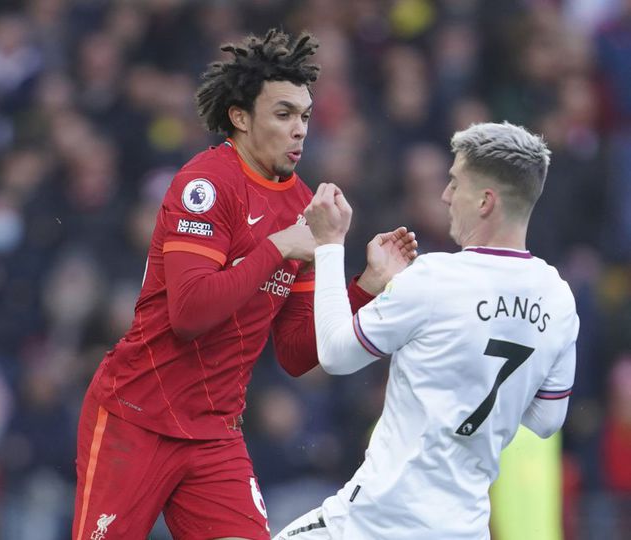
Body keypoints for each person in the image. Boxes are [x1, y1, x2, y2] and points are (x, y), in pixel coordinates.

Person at [71, 29, 418, 540]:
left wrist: (365, 284)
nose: (300, 130)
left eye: (304, 116)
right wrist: (279, 247)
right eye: (283, 115)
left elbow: (299, 354)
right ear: (240, 117)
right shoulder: (206, 185)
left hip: (214, 434)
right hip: (136, 417)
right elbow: (189, 315)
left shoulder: (304, 208)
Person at [275, 121, 579, 540]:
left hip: (375, 523)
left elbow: (334, 354)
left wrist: (329, 245)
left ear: (486, 201)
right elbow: (547, 420)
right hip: (465, 529)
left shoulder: (435, 277)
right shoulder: (559, 299)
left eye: (455, 183)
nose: (446, 196)